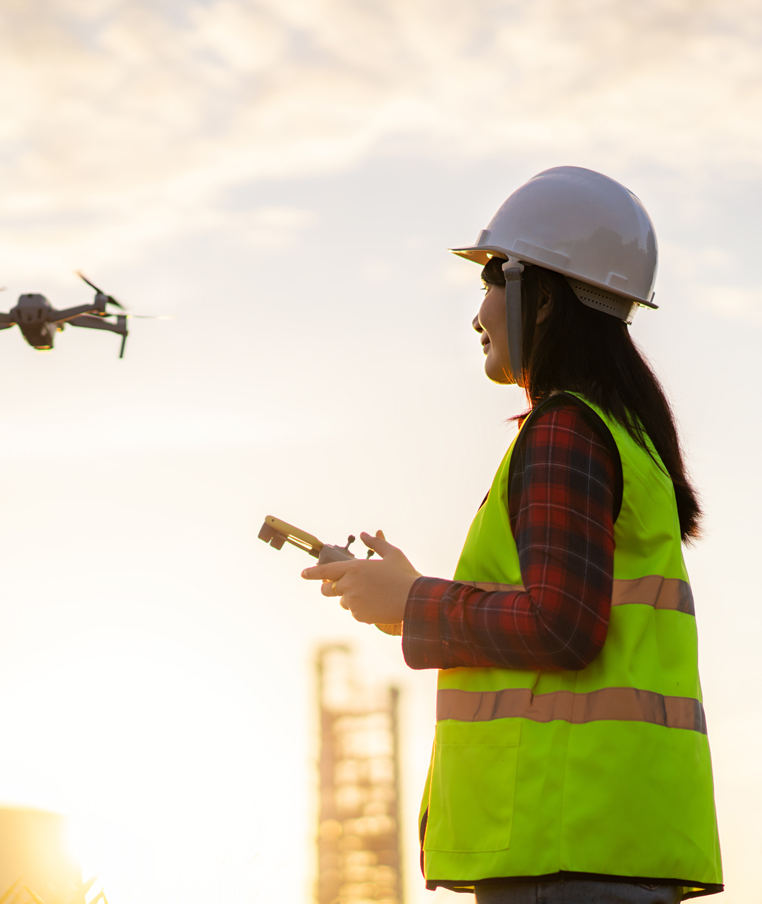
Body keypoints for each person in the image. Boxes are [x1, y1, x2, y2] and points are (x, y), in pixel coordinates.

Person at [301, 167, 723, 903]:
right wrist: (412, 591)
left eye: (492, 281)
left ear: (545, 295)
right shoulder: (625, 438)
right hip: (610, 840)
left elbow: (563, 627)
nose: (479, 314)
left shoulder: (565, 431)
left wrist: (414, 604)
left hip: (563, 853)